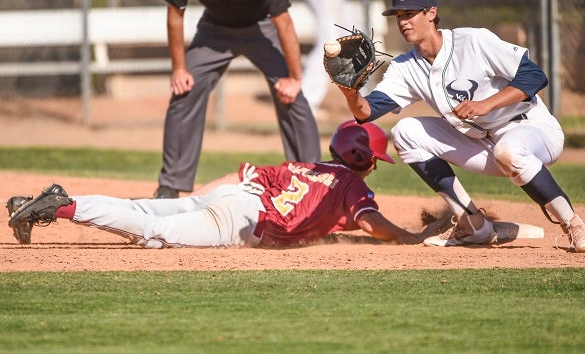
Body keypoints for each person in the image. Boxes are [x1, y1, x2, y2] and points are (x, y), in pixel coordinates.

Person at [333, 0, 585, 252]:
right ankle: (473, 224)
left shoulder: (473, 41)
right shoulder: (405, 67)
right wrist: (350, 92)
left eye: (410, 13)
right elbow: (367, 112)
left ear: (431, 13)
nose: (403, 22)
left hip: (532, 130)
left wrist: (486, 105)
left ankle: (574, 224)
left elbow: (535, 76)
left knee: (509, 149)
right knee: (405, 132)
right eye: (399, 16)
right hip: (483, 144)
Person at [6, 121, 418, 248]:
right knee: (153, 232)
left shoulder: (305, 164)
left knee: (146, 210)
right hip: (242, 222)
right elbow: (368, 221)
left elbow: (242, 176)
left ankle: (48, 201)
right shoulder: (351, 187)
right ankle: (58, 208)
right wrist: (405, 237)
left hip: (233, 197)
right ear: (365, 160)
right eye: (376, 160)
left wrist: (195, 200)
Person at [155, 0, 321, 199]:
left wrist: (295, 78)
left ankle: (310, 179)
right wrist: (179, 68)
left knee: (291, 95)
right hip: (214, 30)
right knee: (184, 90)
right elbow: (174, 15)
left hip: (260, 30)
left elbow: (284, 23)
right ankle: (171, 184)